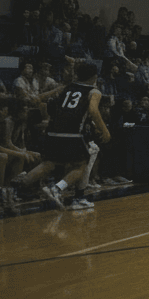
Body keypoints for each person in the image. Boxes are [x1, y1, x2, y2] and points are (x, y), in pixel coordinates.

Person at [39, 62, 110, 211]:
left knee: (68, 163)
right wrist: (104, 130)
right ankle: (66, 192)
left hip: (54, 132)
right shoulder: (92, 91)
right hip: (73, 134)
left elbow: (42, 100)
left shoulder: (66, 88)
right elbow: (92, 110)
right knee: (84, 162)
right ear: (95, 77)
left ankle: (21, 186)